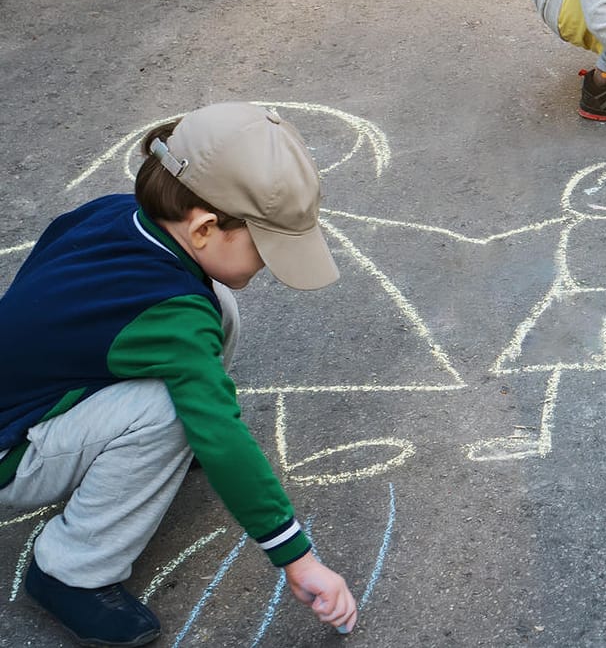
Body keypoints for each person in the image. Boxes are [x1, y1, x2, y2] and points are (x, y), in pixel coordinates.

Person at [0, 103, 358, 646]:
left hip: (37, 396)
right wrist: (298, 559)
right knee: (176, 408)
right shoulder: (169, 317)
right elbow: (219, 427)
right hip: (13, 451)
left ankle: (140, 452)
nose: (267, 267)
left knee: (213, 309)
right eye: (265, 249)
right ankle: (69, 574)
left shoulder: (114, 214)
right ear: (205, 226)